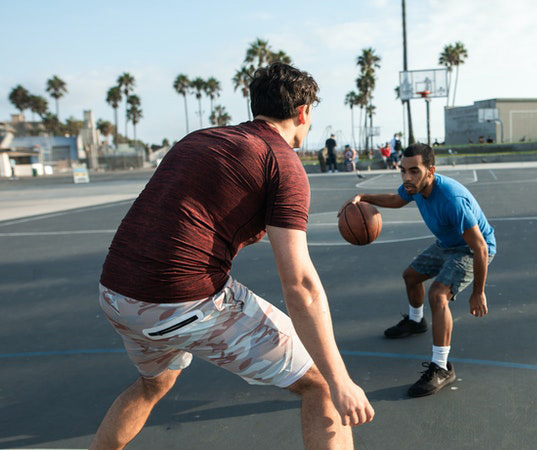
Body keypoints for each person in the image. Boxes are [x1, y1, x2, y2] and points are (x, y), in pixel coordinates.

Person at [91, 63, 374, 450]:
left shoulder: (199, 139)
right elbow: (301, 285)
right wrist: (341, 379)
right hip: (180, 302)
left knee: (155, 382)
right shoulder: (283, 162)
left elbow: (176, 218)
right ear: (304, 112)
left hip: (115, 294)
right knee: (321, 383)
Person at [339, 143, 496, 398]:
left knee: (438, 295)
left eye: (414, 171)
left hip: (469, 249)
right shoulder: (415, 188)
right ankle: (415, 321)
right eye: (403, 171)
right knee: (411, 276)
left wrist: (479, 292)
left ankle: (442, 367)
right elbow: (396, 200)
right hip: (447, 244)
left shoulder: (451, 200)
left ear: (430, 171)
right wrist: (364, 197)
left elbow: (480, 247)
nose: (407, 177)